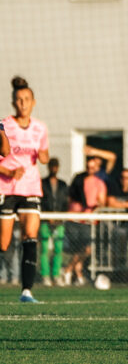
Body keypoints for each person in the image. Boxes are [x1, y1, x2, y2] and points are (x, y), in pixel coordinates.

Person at [0, 76, 50, 302]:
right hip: (7, 188)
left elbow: (45, 157)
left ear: (33, 102)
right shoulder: (4, 125)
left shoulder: (40, 128)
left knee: (31, 236)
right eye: (19, 100)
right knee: (4, 242)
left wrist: (43, 155)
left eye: (27, 99)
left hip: (30, 187)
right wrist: (9, 172)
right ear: (13, 103)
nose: (23, 103)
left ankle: (26, 291)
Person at [64, 156, 107, 286]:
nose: (90, 169)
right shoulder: (78, 179)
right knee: (78, 248)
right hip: (74, 219)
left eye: (93, 167)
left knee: (86, 249)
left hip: (87, 220)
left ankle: (68, 269)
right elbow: (70, 197)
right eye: (88, 166)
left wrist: (94, 205)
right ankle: (78, 274)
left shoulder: (99, 183)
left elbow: (101, 202)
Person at [107, 167, 128, 276]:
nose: (125, 180)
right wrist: (126, 204)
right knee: (119, 244)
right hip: (119, 224)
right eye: (123, 178)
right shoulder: (114, 186)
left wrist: (121, 204)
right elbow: (111, 202)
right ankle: (118, 270)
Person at [40, 158, 68, 287]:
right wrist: (48, 215)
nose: (53, 169)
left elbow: (65, 202)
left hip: (59, 221)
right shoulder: (43, 183)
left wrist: (59, 216)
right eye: (51, 166)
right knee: (44, 249)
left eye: (55, 166)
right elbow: (41, 201)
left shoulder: (62, 184)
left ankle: (56, 275)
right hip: (45, 219)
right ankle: (45, 275)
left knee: (58, 249)